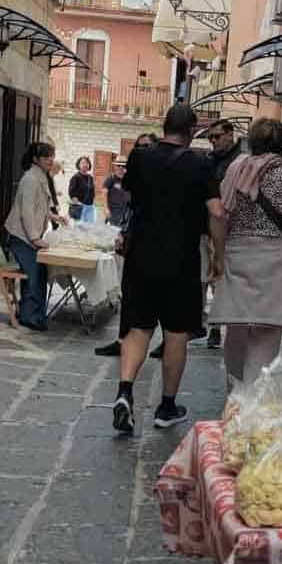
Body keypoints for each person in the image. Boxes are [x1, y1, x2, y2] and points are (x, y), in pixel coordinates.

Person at [113, 104, 225, 438]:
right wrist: (218, 255)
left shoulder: (140, 157)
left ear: (164, 126)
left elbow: (129, 190)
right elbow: (217, 212)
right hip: (181, 262)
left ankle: (124, 391)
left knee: (138, 328)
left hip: (141, 257)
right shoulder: (201, 164)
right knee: (176, 334)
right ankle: (166, 407)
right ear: (190, 131)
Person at [209, 116, 282, 386]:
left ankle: (234, 393)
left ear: (252, 144)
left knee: (236, 330)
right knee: (266, 335)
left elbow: (220, 217)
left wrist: (218, 255)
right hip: (275, 264)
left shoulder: (235, 173)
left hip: (238, 257)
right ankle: (252, 395)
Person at [94, 134, 159, 358]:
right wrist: (122, 232)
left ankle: (165, 342)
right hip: (134, 241)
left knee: (155, 298)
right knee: (129, 292)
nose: (142, 150)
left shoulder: (162, 174)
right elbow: (131, 209)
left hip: (158, 245)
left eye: (147, 146)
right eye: (139, 147)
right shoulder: (134, 176)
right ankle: (122, 341)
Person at [3, 140, 66, 332]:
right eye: (46, 156)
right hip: (21, 237)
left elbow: (42, 206)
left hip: (29, 237)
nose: (50, 160)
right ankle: (29, 317)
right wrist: (34, 238)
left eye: (51, 156)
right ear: (36, 159)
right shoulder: (30, 178)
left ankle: (37, 315)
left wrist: (55, 217)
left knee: (41, 272)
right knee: (33, 274)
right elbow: (27, 212)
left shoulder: (41, 177)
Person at [203, 120, 244, 350]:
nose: (213, 141)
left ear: (230, 134)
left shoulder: (241, 161)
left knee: (225, 280)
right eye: (210, 138)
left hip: (232, 228)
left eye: (217, 137)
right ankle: (212, 326)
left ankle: (219, 327)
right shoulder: (210, 160)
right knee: (210, 277)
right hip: (209, 226)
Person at [103, 157, 131, 228]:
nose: (121, 167)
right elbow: (104, 194)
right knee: (111, 232)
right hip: (113, 212)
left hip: (125, 212)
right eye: (119, 165)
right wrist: (106, 208)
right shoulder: (111, 179)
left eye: (123, 166)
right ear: (115, 166)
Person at [68, 155, 96, 223]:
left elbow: (92, 191)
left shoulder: (90, 178)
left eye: (87, 163)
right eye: (83, 163)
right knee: (79, 226)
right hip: (80, 206)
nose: (85, 164)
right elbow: (71, 192)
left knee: (89, 226)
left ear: (89, 165)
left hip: (90, 207)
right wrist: (77, 204)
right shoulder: (75, 177)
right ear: (78, 165)